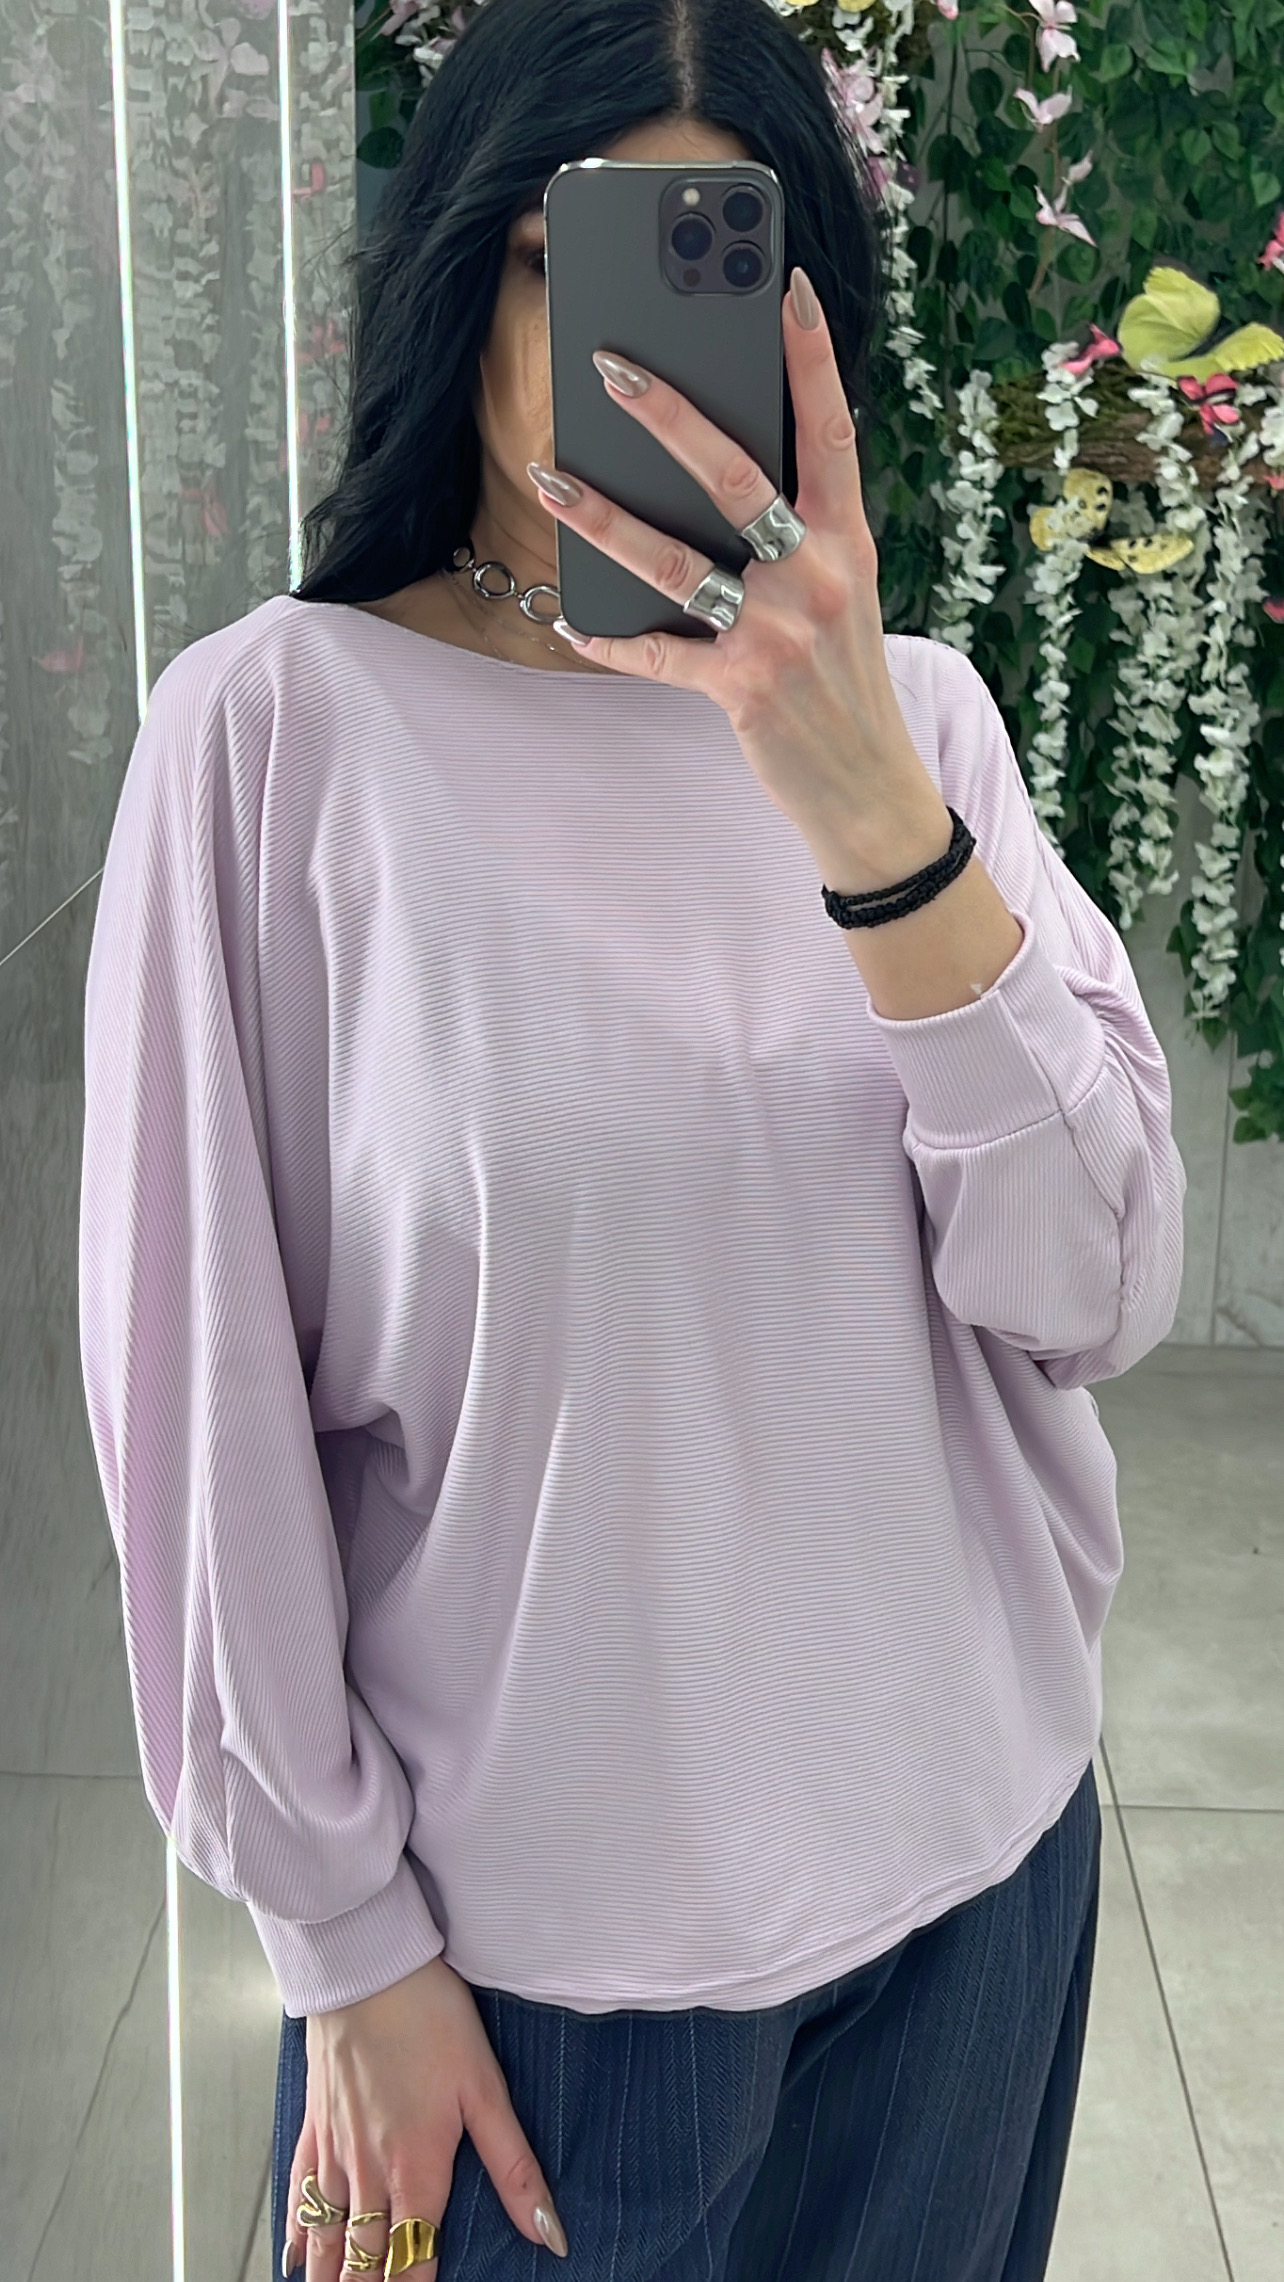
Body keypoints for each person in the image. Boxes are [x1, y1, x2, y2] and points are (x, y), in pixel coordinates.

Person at [77, 0, 1187, 2278]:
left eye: (712, 262)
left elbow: (1096, 1287)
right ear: (461, 274)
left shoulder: (925, 728)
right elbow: (201, 1429)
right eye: (563, 257)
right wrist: (344, 1943)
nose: (622, 348)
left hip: (972, 1893)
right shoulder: (272, 739)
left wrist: (872, 820)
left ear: (809, 325)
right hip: (522, 1997)